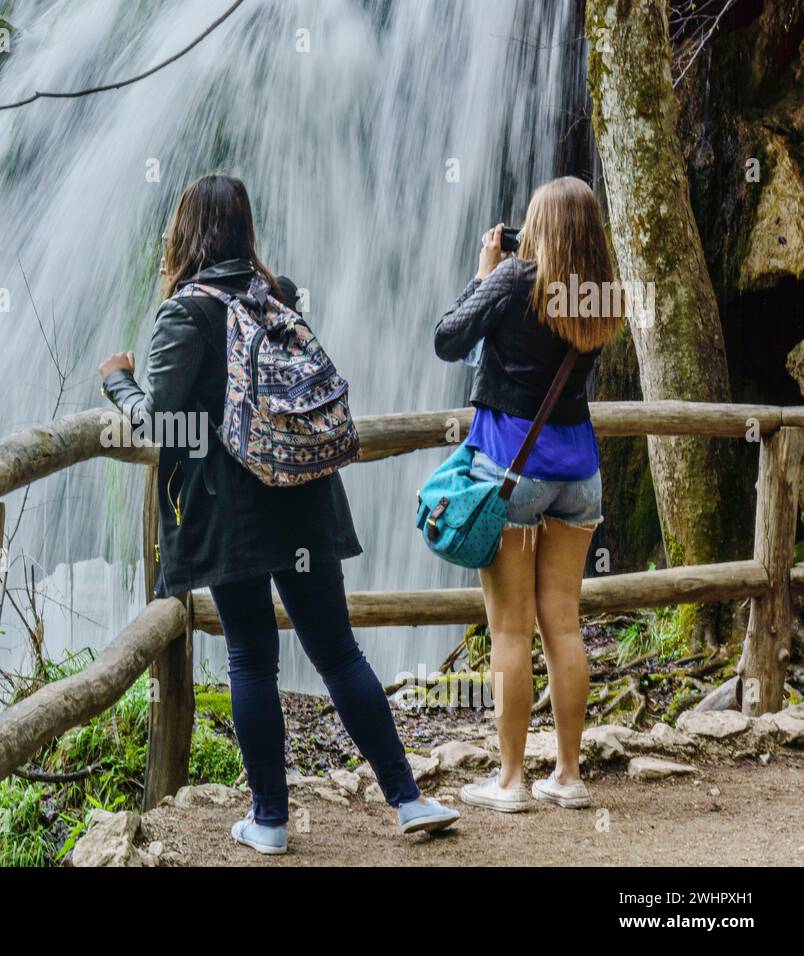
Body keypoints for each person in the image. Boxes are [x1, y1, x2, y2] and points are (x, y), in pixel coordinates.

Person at [100, 173, 458, 854]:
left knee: (250, 659)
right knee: (338, 651)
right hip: (302, 495)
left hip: (229, 514)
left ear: (185, 234)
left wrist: (119, 380)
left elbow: (163, 426)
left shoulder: (185, 313)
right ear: (244, 229)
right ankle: (409, 800)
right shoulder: (278, 298)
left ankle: (269, 820)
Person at [434, 176, 624, 812]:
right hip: (580, 474)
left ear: (539, 225)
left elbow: (447, 339)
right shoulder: (599, 294)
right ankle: (568, 776)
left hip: (512, 474)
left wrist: (485, 273)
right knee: (563, 626)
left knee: (511, 631)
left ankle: (510, 781)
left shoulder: (516, 280)